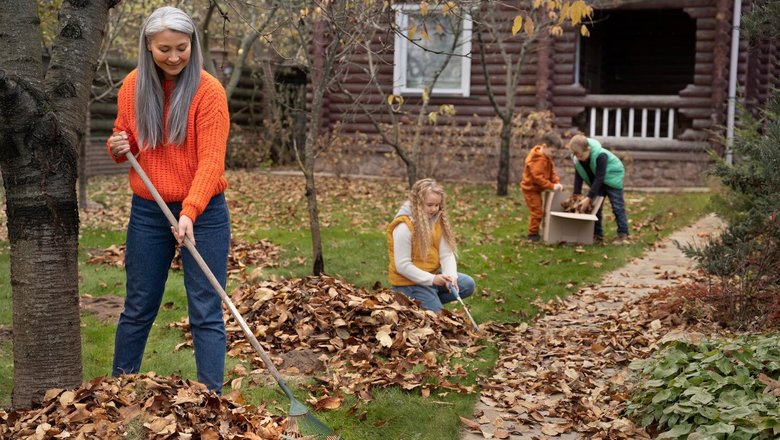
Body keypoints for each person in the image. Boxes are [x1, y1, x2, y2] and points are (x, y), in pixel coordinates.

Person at [106, 6, 231, 393]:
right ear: (148, 47)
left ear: (193, 43)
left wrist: (190, 211)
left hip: (204, 212)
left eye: (182, 47)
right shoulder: (132, 86)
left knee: (206, 310)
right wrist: (117, 145)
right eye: (164, 49)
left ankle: (212, 398)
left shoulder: (208, 92)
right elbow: (123, 140)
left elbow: (211, 161)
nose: (174, 57)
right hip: (148, 210)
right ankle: (117, 389)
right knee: (139, 305)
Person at [386, 178, 476, 313]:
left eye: (437, 205)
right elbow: (402, 266)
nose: (434, 209)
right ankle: (416, 300)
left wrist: (450, 277)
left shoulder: (436, 220)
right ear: (417, 203)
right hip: (408, 283)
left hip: (432, 277)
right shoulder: (404, 226)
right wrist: (432, 279)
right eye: (429, 205)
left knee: (467, 284)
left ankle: (429, 300)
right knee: (438, 319)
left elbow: (446, 253)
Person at [566, 134, 629, 243]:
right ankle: (597, 235)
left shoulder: (601, 155)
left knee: (617, 206)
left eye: (581, 156)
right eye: (577, 156)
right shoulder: (577, 158)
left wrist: (589, 197)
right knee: (595, 208)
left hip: (612, 178)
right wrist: (576, 195)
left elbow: (600, 177)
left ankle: (623, 234)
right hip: (597, 181)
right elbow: (578, 176)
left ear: (588, 149)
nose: (579, 159)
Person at [520, 132, 564, 242]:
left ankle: (536, 231)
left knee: (539, 211)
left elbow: (552, 172)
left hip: (537, 189)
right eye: (553, 151)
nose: (553, 154)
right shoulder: (537, 160)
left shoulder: (546, 157)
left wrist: (556, 182)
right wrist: (551, 186)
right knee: (537, 212)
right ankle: (533, 234)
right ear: (544, 146)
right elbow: (538, 178)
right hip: (530, 189)